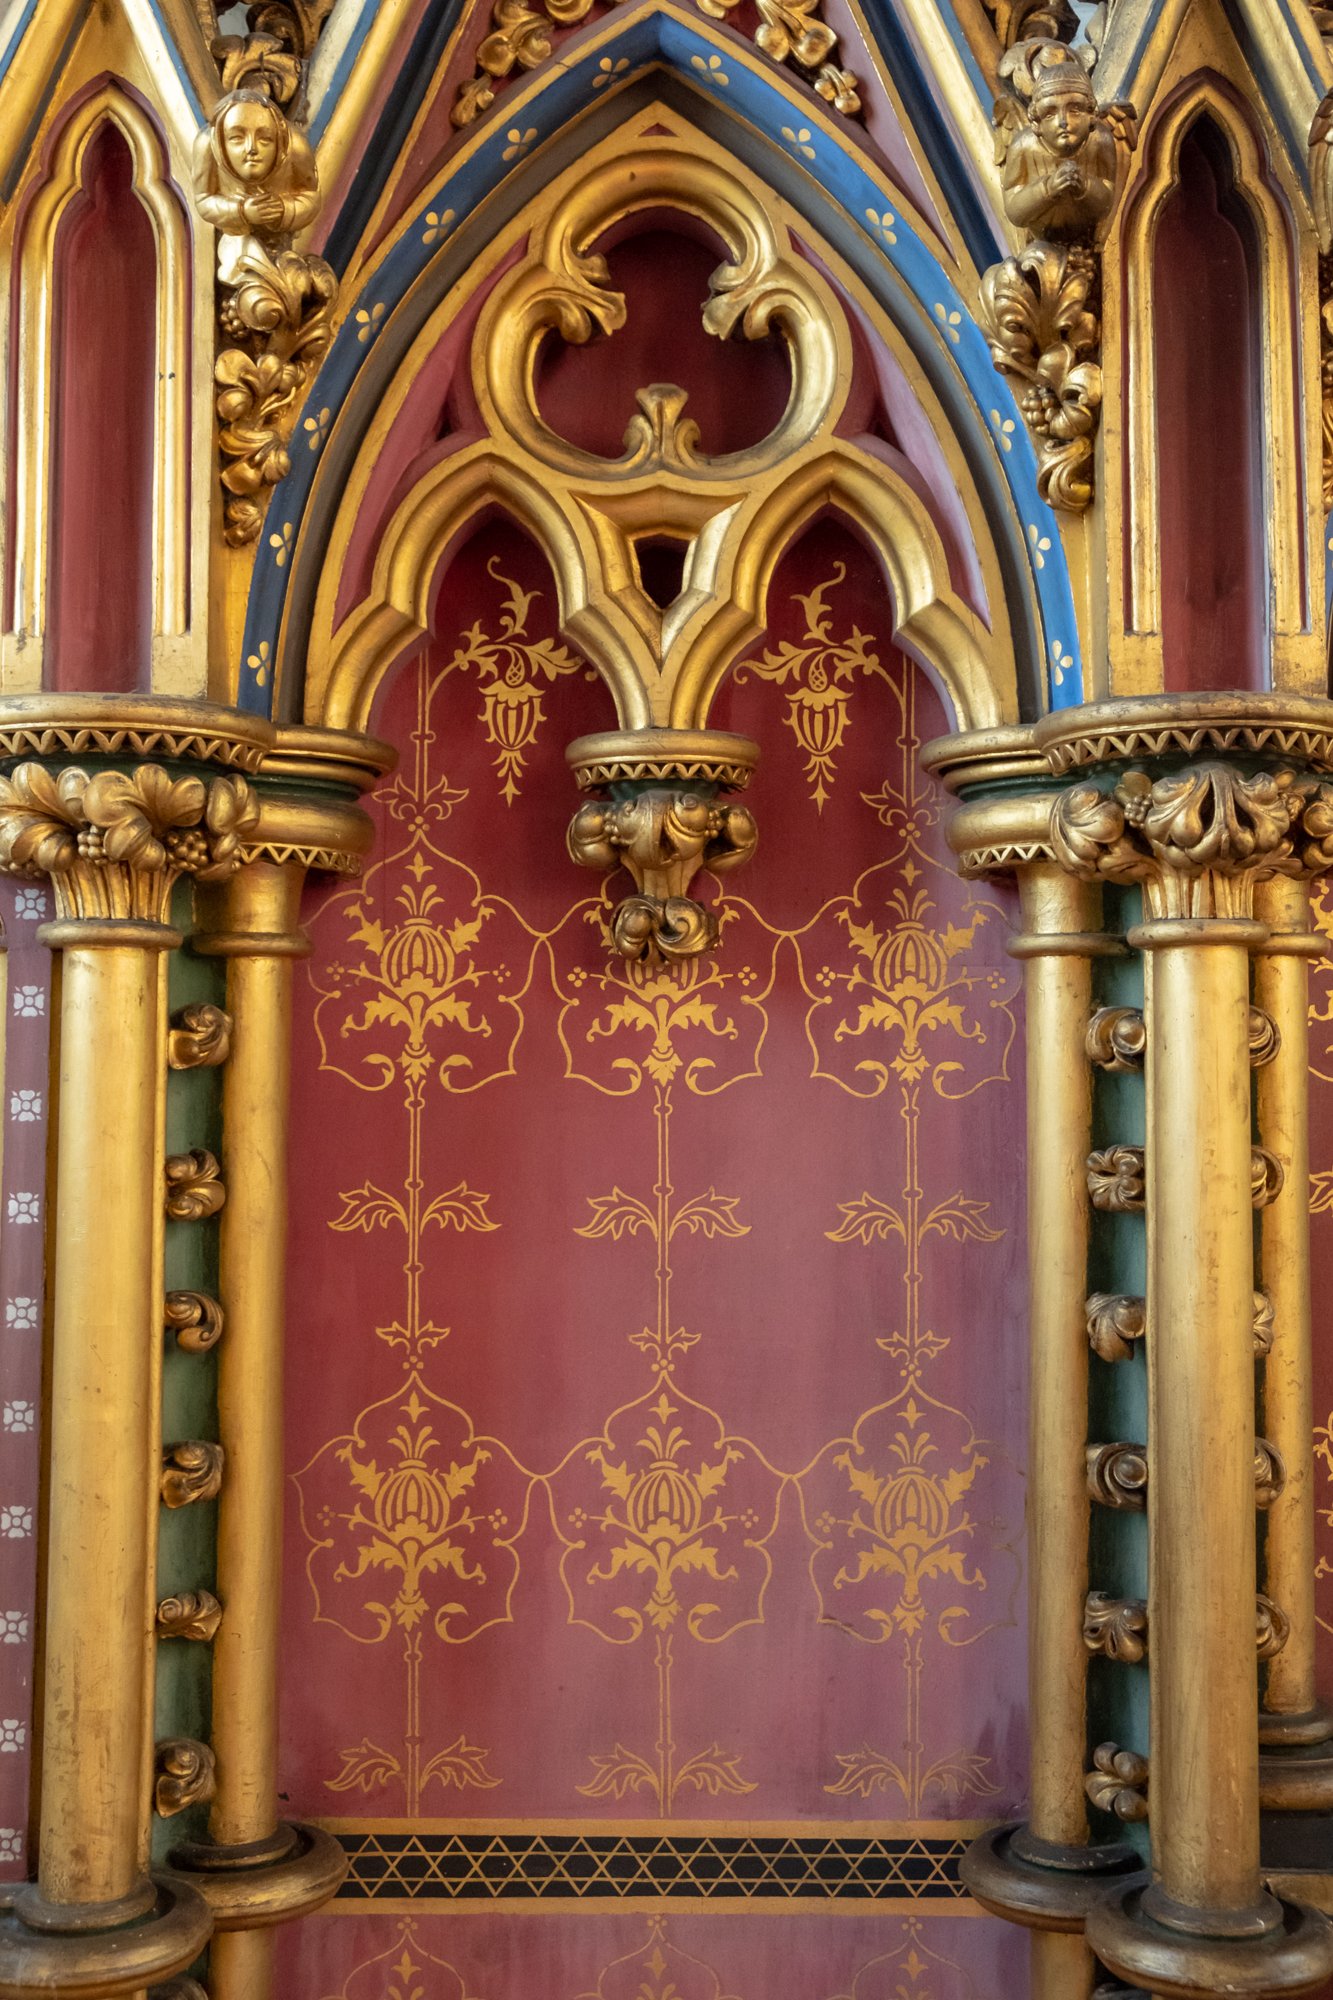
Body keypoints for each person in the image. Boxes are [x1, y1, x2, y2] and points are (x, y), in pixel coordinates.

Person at [191, 89, 322, 321]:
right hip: (235, 246)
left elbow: (310, 195)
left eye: (265, 139)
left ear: (279, 137)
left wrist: (285, 210)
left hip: (282, 248)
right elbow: (203, 200)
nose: (251, 148)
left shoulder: (295, 148)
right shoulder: (207, 146)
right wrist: (241, 212)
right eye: (237, 138)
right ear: (221, 139)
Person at [1000, 55, 1116, 239]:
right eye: (1049, 114)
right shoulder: (1023, 146)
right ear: (1036, 122)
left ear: (1091, 114)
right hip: (1041, 239)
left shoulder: (1100, 140)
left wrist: (1085, 186)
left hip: (1088, 238)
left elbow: (1108, 201)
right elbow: (1014, 212)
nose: (1063, 122)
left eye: (1075, 110)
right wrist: (1047, 188)